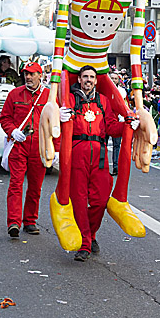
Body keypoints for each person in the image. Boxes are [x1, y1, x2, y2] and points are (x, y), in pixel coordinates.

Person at [61, 65, 126, 261]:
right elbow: (56, 121)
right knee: (79, 200)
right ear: (79, 79)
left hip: (99, 156)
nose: (88, 80)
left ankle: (90, 233)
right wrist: (60, 115)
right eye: (85, 77)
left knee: (100, 200)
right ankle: (85, 243)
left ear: (96, 81)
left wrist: (129, 124)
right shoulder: (70, 99)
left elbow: (112, 127)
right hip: (77, 153)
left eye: (92, 77)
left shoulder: (103, 101)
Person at [0, 61, 49, 237]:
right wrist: (12, 130)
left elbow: (56, 123)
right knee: (15, 184)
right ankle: (13, 222)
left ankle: (30, 220)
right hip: (19, 146)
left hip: (39, 147)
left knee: (35, 187)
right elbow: (4, 117)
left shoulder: (49, 96)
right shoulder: (14, 94)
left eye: (32, 74)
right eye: (26, 74)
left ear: (40, 75)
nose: (28, 77)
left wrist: (55, 149)